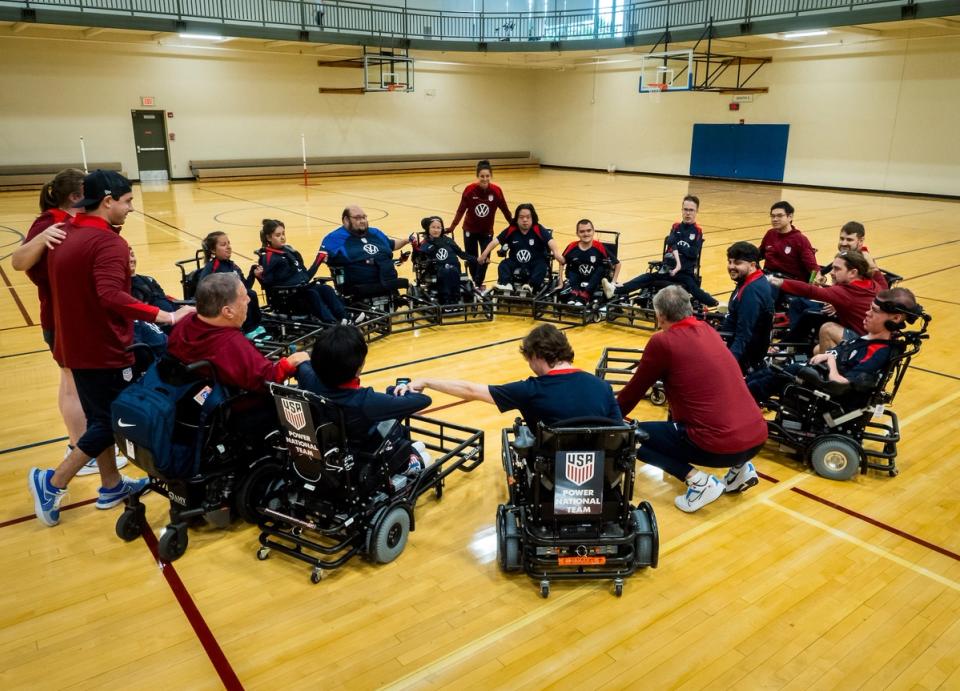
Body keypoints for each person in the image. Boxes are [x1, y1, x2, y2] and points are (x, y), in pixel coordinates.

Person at [28, 170, 195, 527]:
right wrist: (164, 316)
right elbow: (111, 296)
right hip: (102, 347)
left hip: (73, 343)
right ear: (107, 201)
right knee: (111, 420)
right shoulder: (108, 243)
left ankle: (111, 484)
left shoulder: (63, 233)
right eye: (128, 201)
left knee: (97, 417)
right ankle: (52, 483)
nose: (131, 208)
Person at [616, 286, 768, 513]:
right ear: (689, 309)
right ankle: (740, 470)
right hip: (757, 437)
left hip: (718, 445)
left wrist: (607, 417)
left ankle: (698, 481)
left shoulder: (662, 342)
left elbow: (633, 393)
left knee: (627, 437)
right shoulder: (707, 329)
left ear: (660, 315)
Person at [11, 168, 106, 476]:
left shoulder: (73, 221)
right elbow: (18, 261)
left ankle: (81, 447)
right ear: (75, 196)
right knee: (72, 384)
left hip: (75, 315)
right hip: (60, 317)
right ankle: (81, 450)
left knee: (75, 383)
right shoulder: (49, 221)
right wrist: (40, 238)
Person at [402, 324, 620, 429]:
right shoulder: (602, 386)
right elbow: (619, 431)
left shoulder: (530, 390)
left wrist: (427, 381)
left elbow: (471, 390)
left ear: (536, 355)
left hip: (551, 468)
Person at [747, 288, 920, 405]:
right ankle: (741, 391)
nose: (867, 313)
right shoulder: (867, 339)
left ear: (895, 319)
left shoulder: (878, 352)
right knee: (769, 370)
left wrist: (829, 359)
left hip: (829, 391)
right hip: (817, 372)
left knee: (777, 374)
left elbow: (843, 383)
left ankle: (740, 401)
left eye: (874, 311)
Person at [296, 324, 432, 473]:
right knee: (424, 455)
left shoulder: (308, 377)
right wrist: (414, 385)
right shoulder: (366, 401)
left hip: (332, 447)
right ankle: (408, 463)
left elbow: (301, 361)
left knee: (417, 446)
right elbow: (424, 400)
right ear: (358, 369)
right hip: (363, 452)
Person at [167, 273, 308, 394]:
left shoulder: (185, 322)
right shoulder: (231, 344)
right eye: (243, 297)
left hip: (187, 395)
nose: (249, 300)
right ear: (228, 311)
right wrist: (291, 361)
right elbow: (267, 379)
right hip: (234, 409)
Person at [602, 195, 719, 308]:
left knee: (694, 289)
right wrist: (682, 247)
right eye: (686, 209)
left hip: (684, 274)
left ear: (696, 211)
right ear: (682, 210)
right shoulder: (676, 227)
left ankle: (716, 304)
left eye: (691, 210)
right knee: (645, 277)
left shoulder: (697, 231)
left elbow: (693, 253)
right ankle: (614, 290)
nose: (688, 213)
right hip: (667, 271)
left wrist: (678, 245)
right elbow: (670, 243)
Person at [767, 249, 884, 351]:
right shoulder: (872, 283)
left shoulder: (845, 292)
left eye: (837, 269)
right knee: (816, 350)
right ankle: (790, 345)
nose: (831, 273)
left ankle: (789, 347)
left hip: (863, 344)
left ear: (853, 272)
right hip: (873, 337)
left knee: (826, 328)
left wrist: (781, 282)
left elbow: (811, 291)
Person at [259, 218, 350, 324]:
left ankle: (345, 318)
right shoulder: (268, 257)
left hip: (300, 290)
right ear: (269, 238)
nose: (282, 237)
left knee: (326, 289)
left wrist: (318, 261)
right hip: (287, 297)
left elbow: (305, 277)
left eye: (283, 233)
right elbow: (269, 285)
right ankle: (331, 323)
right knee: (311, 293)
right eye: (278, 235)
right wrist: (259, 276)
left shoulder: (289, 250)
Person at [321, 205, 412, 297]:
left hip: (388, 282)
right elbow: (322, 258)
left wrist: (407, 240)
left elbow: (391, 244)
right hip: (359, 287)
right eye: (357, 218)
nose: (362, 221)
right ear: (346, 220)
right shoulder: (334, 238)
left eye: (364, 217)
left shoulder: (375, 233)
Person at [448, 159, 513, 288]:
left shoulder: (496, 191)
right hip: (469, 230)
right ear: (477, 176)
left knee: (484, 259)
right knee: (472, 259)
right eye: (482, 176)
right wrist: (452, 227)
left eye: (487, 176)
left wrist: (513, 225)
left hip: (486, 231)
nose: (484, 179)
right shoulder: (470, 190)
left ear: (491, 176)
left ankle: (478, 283)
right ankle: (476, 283)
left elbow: (505, 210)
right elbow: (461, 210)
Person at [478, 203, 564, 293]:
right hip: (515, 262)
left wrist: (556, 253)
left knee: (542, 266)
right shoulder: (512, 229)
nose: (525, 220)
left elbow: (551, 241)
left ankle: (530, 286)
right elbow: (495, 241)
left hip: (534, 262)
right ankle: (507, 285)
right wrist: (484, 254)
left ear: (532, 218)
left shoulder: (538, 229)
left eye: (528, 217)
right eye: (521, 217)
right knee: (503, 265)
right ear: (517, 219)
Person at [720, 241, 775, 373]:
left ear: (752, 265)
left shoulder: (751, 291)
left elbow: (744, 334)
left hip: (744, 356)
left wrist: (727, 365)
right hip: (734, 341)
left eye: (737, 263)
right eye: (730, 262)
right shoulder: (752, 281)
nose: (731, 266)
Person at [199, 230, 265, 338]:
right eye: (223, 245)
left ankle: (255, 326)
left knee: (251, 294)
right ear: (213, 250)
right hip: (222, 304)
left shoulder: (233, 266)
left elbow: (245, 286)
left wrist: (253, 274)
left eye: (229, 243)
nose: (228, 247)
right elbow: (203, 290)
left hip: (235, 301)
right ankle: (249, 329)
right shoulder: (212, 268)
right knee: (244, 297)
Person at [414, 215, 476, 305]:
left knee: (451, 270)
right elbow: (416, 259)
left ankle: (455, 298)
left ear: (442, 228)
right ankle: (446, 299)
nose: (436, 230)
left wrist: (477, 259)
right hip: (435, 270)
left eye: (438, 227)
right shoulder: (425, 243)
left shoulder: (448, 240)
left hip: (453, 268)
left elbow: (461, 254)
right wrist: (416, 248)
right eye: (433, 227)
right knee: (447, 271)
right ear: (428, 228)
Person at [560, 219, 620, 304]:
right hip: (577, 277)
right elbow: (562, 261)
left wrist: (613, 283)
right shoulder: (572, 246)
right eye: (582, 231)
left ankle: (585, 295)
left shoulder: (599, 247)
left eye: (588, 231)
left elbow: (618, 264)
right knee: (572, 266)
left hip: (594, 279)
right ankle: (575, 292)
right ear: (577, 233)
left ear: (593, 232)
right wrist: (560, 282)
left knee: (601, 268)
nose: (586, 234)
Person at [759, 201, 819, 283]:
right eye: (772, 216)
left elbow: (813, 268)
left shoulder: (800, 240)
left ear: (790, 217)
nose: (775, 219)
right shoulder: (770, 234)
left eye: (779, 216)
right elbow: (758, 254)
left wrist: (814, 281)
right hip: (769, 277)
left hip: (789, 282)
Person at [814, 221, 887, 288]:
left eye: (849, 240)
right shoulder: (848, 254)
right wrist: (820, 273)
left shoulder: (865, 261)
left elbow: (883, 290)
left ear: (861, 241)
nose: (844, 243)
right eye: (842, 239)